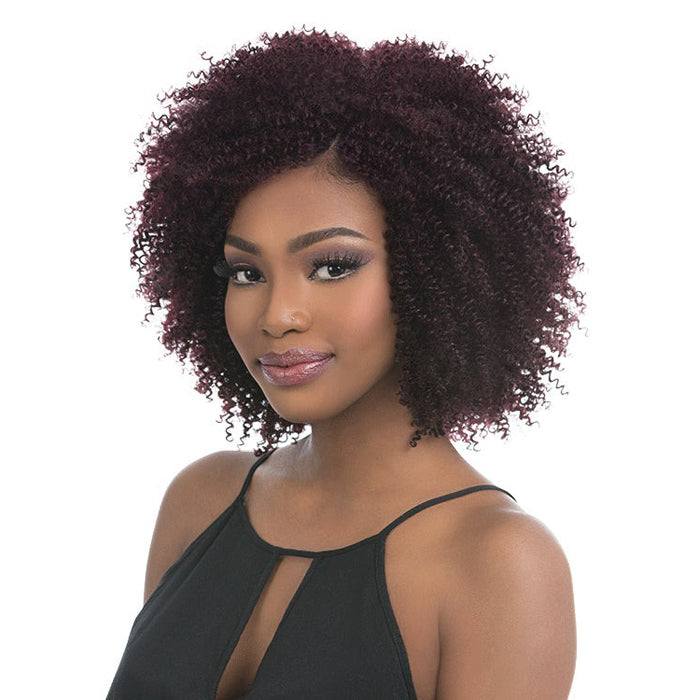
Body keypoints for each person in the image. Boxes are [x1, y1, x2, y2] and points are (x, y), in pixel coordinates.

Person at [107, 29, 583, 699]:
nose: (278, 314)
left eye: (331, 266)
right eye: (246, 272)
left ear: (435, 271)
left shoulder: (496, 565)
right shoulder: (201, 500)